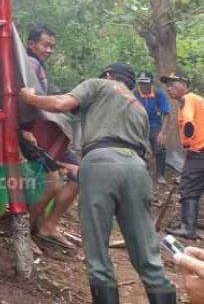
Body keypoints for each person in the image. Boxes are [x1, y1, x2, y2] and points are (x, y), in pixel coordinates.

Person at [20, 62, 176, 304]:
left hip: (101, 162)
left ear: (109, 75)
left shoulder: (100, 85)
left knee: (97, 253)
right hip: (137, 169)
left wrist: (31, 98)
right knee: (147, 253)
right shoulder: (139, 108)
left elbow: (62, 104)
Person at [21, 26, 79, 250]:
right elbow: (22, 98)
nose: (49, 50)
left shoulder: (38, 66)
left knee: (78, 174)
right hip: (33, 132)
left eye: (52, 46)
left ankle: (47, 227)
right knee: (51, 183)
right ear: (31, 44)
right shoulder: (28, 64)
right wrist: (24, 128)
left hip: (48, 131)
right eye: (45, 45)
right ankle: (25, 233)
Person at [161, 69, 204, 240]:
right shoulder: (199, 100)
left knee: (189, 188)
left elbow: (188, 124)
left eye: (172, 85)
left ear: (184, 85)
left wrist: (187, 143)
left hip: (199, 151)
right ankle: (189, 223)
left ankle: (188, 228)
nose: (168, 89)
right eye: (167, 86)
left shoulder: (188, 100)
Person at [134, 71, 171, 184]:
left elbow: (166, 113)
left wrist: (163, 132)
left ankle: (160, 174)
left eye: (146, 83)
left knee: (160, 147)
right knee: (138, 148)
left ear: (151, 83)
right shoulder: (133, 94)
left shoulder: (158, 94)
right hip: (138, 126)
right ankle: (142, 172)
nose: (143, 86)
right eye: (141, 83)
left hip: (155, 125)